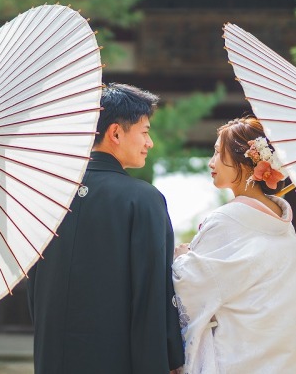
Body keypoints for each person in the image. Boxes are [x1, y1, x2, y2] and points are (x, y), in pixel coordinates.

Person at [27, 83, 184, 374]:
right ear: (115, 133)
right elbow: (152, 294)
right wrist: (170, 356)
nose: (149, 143)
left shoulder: (50, 197)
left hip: (53, 357)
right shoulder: (143, 199)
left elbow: (36, 289)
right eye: (145, 132)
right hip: (118, 360)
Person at [172, 117, 296, 373]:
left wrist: (182, 258)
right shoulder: (292, 239)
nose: (211, 162)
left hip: (234, 362)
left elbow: (190, 289)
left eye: (218, 153)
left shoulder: (225, 221)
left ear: (245, 163)